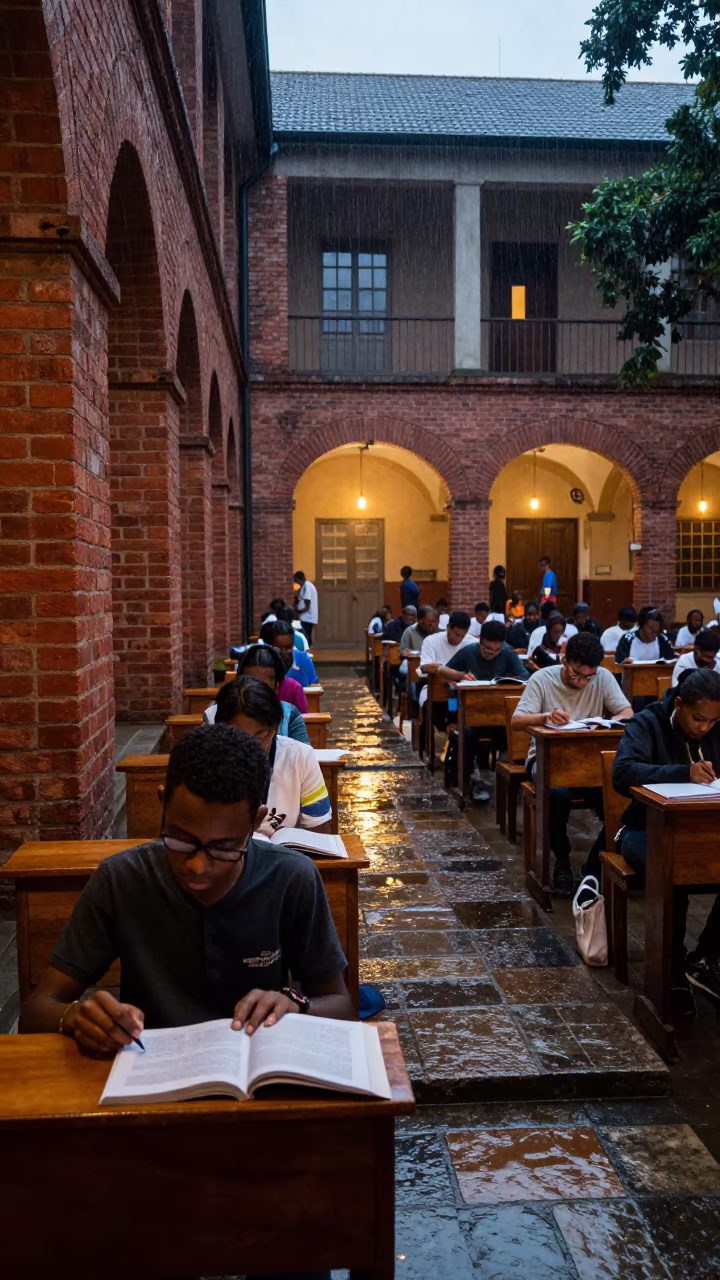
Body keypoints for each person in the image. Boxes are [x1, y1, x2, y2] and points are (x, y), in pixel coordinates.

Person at [19, 724, 352, 1047]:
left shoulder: (291, 878)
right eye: (180, 839)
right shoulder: (121, 879)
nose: (197, 865)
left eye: (223, 848)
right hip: (148, 1070)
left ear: (255, 822)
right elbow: (36, 1012)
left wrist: (296, 1004)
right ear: (163, 802)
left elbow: (342, 1007)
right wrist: (77, 1016)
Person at [612, 668, 720, 1015]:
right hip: (642, 831)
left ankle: (703, 958)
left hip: (704, 831)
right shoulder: (648, 722)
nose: (705, 728)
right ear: (678, 704)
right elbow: (623, 772)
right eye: (698, 718)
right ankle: (670, 974)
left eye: (713, 721)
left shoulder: (716, 728)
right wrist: (682, 772)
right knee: (675, 873)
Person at [513, 632, 633, 896]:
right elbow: (517, 721)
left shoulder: (601, 677)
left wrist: (605, 723)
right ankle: (562, 861)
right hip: (546, 758)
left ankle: (595, 866)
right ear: (564, 660)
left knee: (623, 794)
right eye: (577, 674)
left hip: (590, 762)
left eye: (588, 677)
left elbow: (626, 713)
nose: (582, 682)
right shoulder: (542, 679)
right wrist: (545, 716)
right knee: (556, 793)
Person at [216, 678, 332, 835]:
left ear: (275, 728)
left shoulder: (300, 757)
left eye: (260, 735)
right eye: (240, 737)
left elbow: (321, 834)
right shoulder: (210, 763)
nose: (252, 747)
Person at [436, 619, 528, 801]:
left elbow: (525, 675)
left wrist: (509, 680)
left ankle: (507, 778)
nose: (491, 654)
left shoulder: (508, 652)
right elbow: (441, 672)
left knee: (516, 732)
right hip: (474, 716)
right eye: (487, 649)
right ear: (481, 641)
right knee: (468, 733)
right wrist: (460, 675)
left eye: (496, 650)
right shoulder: (469, 651)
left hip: (500, 716)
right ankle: (472, 779)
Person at [228, 644, 311, 741]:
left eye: (263, 688)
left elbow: (302, 752)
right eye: (250, 684)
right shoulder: (217, 712)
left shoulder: (290, 715)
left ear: (276, 687)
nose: (256, 693)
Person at [417, 611, 473, 709]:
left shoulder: (472, 644)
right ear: (448, 627)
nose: (458, 639)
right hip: (436, 689)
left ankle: (454, 722)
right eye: (456, 634)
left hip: (462, 692)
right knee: (436, 707)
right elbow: (425, 667)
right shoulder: (431, 641)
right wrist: (457, 675)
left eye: (461, 636)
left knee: (463, 709)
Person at [258, 620, 318, 688]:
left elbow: (314, 689)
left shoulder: (303, 659)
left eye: (288, 648)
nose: (284, 652)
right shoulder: (258, 664)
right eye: (278, 649)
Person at [293, 570, 318, 644]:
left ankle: (307, 651)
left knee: (305, 637)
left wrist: (299, 611)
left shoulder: (307, 586)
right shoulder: (304, 586)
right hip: (304, 617)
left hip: (307, 617)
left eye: (296, 580)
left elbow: (307, 604)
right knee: (305, 636)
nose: (296, 583)